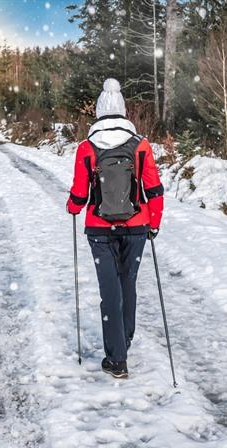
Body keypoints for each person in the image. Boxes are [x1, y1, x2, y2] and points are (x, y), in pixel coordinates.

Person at [66, 78, 164, 379]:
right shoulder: (141, 145)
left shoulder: (86, 147)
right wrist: (154, 223)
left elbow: (80, 193)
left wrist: (73, 206)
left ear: (98, 113)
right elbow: (154, 190)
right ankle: (126, 339)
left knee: (109, 290)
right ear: (123, 113)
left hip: (100, 228)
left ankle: (117, 358)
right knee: (128, 284)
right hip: (137, 226)